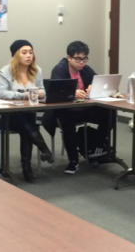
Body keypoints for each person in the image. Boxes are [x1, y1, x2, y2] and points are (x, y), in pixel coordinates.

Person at [42, 41, 113, 174]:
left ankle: (95, 146)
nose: (81, 62)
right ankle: (73, 160)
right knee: (66, 119)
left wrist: (94, 87)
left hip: (84, 108)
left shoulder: (86, 69)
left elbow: (99, 81)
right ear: (69, 57)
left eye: (84, 58)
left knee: (110, 113)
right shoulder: (60, 69)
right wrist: (72, 93)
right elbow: (54, 93)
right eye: (78, 59)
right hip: (65, 110)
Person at [0, 40, 54, 182]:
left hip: (28, 113)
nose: (28, 55)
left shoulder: (36, 70)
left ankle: (28, 167)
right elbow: (3, 94)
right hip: (8, 116)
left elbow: (42, 90)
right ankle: (42, 152)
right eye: (24, 52)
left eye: (30, 52)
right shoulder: (6, 71)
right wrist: (24, 95)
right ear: (16, 55)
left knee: (26, 124)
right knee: (27, 123)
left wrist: (40, 94)